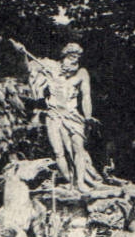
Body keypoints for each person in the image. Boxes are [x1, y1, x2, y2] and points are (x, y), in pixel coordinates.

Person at [12, 39, 103, 191]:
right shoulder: (50, 69)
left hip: (73, 115)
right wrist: (23, 54)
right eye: (71, 57)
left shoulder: (81, 73)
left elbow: (86, 96)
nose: (74, 61)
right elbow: (28, 69)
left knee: (78, 148)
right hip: (54, 115)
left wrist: (87, 116)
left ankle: (81, 182)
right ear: (64, 57)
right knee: (58, 152)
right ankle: (70, 181)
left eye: (77, 58)